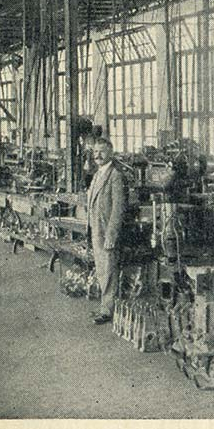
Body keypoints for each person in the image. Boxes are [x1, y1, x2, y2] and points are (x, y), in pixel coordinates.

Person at [86, 137, 127, 325]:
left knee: (109, 269)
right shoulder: (97, 174)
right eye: (95, 152)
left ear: (110, 153)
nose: (98, 155)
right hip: (96, 229)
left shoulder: (115, 175)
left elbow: (118, 208)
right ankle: (105, 305)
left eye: (102, 151)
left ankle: (107, 310)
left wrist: (112, 234)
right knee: (102, 269)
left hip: (106, 231)